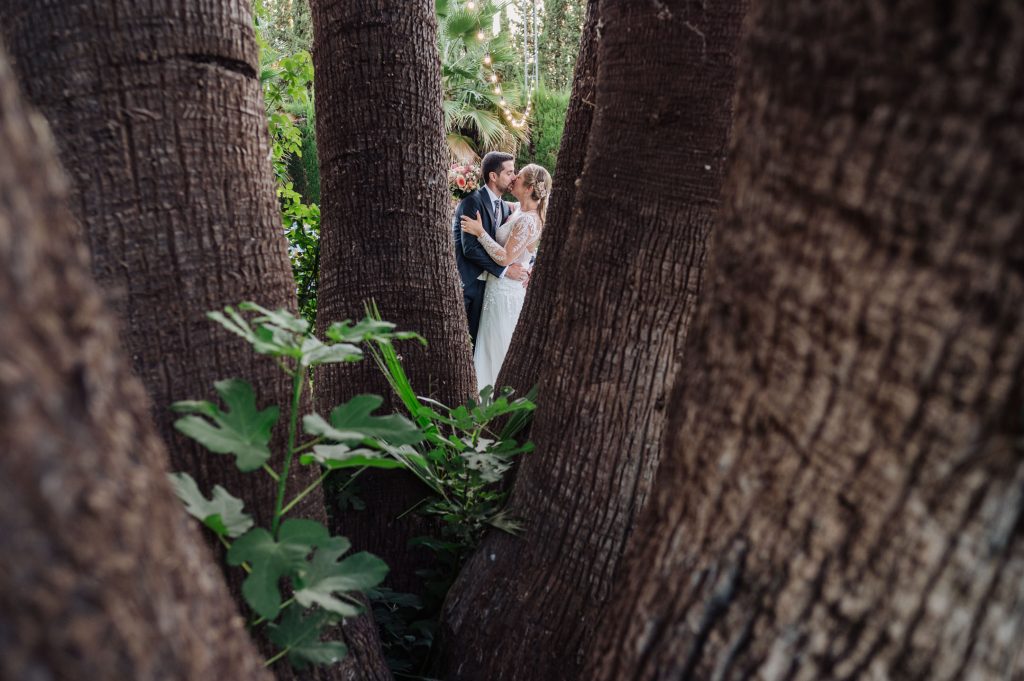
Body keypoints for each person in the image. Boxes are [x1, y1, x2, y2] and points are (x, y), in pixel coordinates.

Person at [461, 163, 551, 392]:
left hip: (506, 294)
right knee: (487, 347)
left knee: (499, 346)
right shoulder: (517, 210)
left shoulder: (529, 220)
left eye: (518, 177)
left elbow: (504, 258)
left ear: (529, 188)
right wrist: (463, 183)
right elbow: (494, 199)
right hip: (495, 289)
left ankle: (499, 401)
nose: (513, 179)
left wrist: (480, 232)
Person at [452, 152, 529, 347]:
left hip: (489, 290)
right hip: (468, 285)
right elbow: (469, 248)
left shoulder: (504, 207)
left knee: (480, 344)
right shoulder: (472, 202)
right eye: (509, 172)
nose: (514, 177)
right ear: (493, 176)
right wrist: (504, 270)